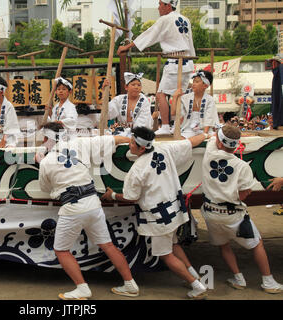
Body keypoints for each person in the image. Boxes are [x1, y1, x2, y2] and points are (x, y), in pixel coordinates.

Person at [102, 126, 209, 299]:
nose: (129, 145)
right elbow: (190, 143)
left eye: (132, 143)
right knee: (174, 245)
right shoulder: (164, 148)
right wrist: (206, 134)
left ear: (142, 147)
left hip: (160, 217)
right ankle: (194, 275)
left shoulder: (137, 170)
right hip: (174, 210)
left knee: (166, 255)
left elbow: (131, 197)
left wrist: (112, 195)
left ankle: (196, 285)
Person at [38, 122, 139, 300]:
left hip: (72, 208)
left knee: (61, 250)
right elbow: (113, 139)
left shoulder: (46, 161)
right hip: (93, 203)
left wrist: (41, 163)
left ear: (47, 139)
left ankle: (82, 288)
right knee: (108, 245)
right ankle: (130, 283)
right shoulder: (81, 144)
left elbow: (45, 188)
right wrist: (132, 140)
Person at [200, 125, 283, 293]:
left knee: (224, 245)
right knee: (257, 244)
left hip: (210, 212)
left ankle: (238, 278)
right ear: (236, 145)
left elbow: (212, 139)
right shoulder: (242, 166)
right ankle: (268, 281)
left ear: (218, 141)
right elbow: (244, 194)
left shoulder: (209, 152)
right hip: (232, 215)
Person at [117, 0, 195, 135]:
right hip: (188, 61)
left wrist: (126, 47)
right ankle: (180, 126)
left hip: (175, 61)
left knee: (160, 94)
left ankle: (165, 126)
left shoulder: (165, 19)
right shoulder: (185, 19)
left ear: (168, 6)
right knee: (179, 95)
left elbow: (148, 35)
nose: (158, 8)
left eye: (160, 4)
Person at [171, 70, 219, 138]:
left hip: (204, 129)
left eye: (197, 82)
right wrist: (175, 97)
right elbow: (173, 113)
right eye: (193, 81)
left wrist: (204, 134)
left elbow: (209, 118)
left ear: (205, 85)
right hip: (187, 128)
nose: (193, 84)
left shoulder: (209, 100)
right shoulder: (185, 98)